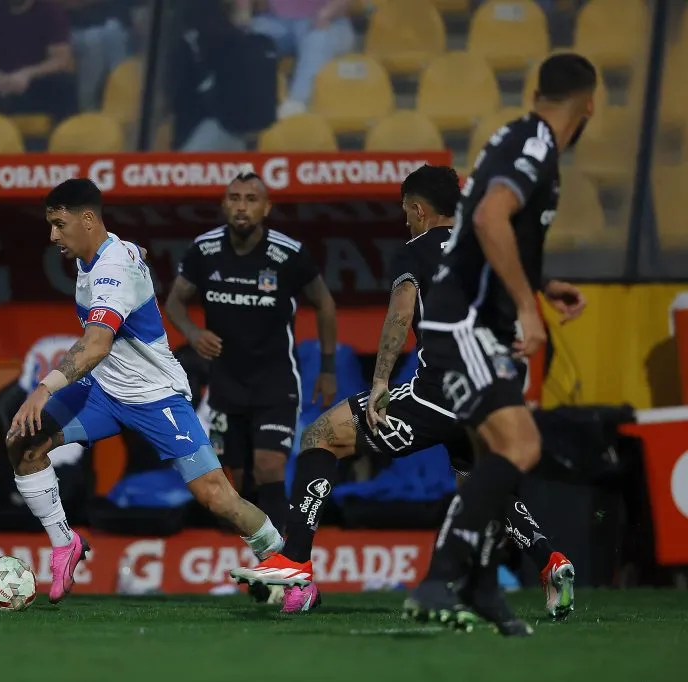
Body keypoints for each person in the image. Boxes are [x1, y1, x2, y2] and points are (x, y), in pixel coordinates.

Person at [230, 165, 579, 623]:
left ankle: (294, 559)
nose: (406, 222)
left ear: (418, 210)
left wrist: (379, 382)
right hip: (491, 392)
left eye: (405, 213)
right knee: (478, 484)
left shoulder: (417, 249)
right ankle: (550, 561)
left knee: (320, 436)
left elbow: (400, 312)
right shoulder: (486, 243)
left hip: (439, 392)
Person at [8, 178, 285, 605]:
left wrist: (44, 388)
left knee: (217, 496)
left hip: (156, 398)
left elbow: (97, 344)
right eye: (50, 225)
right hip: (103, 392)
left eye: (60, 225)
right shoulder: (101, 256)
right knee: (25, 446)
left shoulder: (113, 268)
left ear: (88, 219)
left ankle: (288, 566)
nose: (53, 236)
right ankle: (66, 543)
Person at [400, 54, 595, 635]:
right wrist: (529, 310)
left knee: (490, 457)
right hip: (465, 322)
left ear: (537, 91)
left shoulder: (517, 136)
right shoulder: (537, 144)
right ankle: (443, 575)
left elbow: (489, 233)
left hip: (468, 317)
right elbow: (488, 218)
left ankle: (482, 586)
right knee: (521, 444)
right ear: (589, 105)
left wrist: (538, 284)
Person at [166, 172, 337, 603]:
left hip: (276, 381)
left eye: (251, 199)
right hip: (226, 384)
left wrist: (329, 368)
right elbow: (173, 300)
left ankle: (288, 570)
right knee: (235, 485)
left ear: (266, 208)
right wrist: (191, 331)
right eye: (235, 198)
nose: (242, 205)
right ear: (225, 205)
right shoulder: (204, 250)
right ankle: (268, 556)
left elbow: (325, 303)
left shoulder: (287, 254)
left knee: (269, 469)